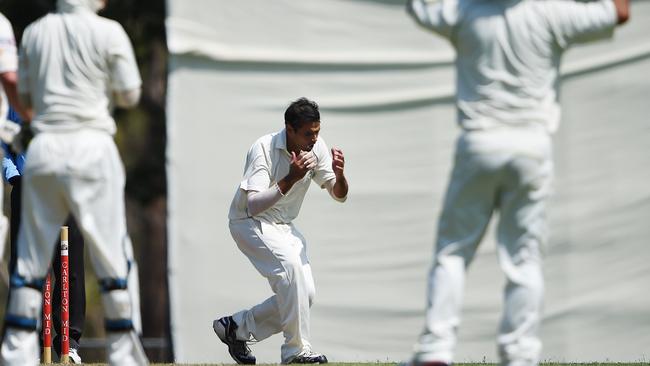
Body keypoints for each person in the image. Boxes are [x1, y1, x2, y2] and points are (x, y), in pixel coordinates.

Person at [405, 0, 630, 365]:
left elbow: (419, 6)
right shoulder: (553, 11)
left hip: (478, 143)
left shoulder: (463, 11)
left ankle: (435, 350)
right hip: (531, 146)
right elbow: (619, 11)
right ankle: (520, 354)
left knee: (452, 252)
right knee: (524, 259)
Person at [0, 0, 149, 365]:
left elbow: (26, 96)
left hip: (45, 150)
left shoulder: (34, 32)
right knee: (113, 257)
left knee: (29, 263)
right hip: (92, 149)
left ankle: (18, 352)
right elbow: (130, 94)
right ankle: (123, 351)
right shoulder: (109, 31)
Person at [214, 97, 348, 364]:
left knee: (304, 294)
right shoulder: (263, 148)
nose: (314, 139)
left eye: (317, 132)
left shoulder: (316, 148)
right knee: (292, 271)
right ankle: (295, 352)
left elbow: (339, 194)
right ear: (289, 129)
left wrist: (340, 175)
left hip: (283, 226)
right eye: (308, 133)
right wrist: (290, 178)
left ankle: (236, 327)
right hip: (248, 222)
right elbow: (253, 204)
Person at [2, 107, 87, 364]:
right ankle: (32, 341)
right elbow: (4, 137)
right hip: (27, 185)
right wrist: (13, 174)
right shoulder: (18, 94)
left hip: (66, 186)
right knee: (26, 267)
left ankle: (69, 344)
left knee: (70, 265)